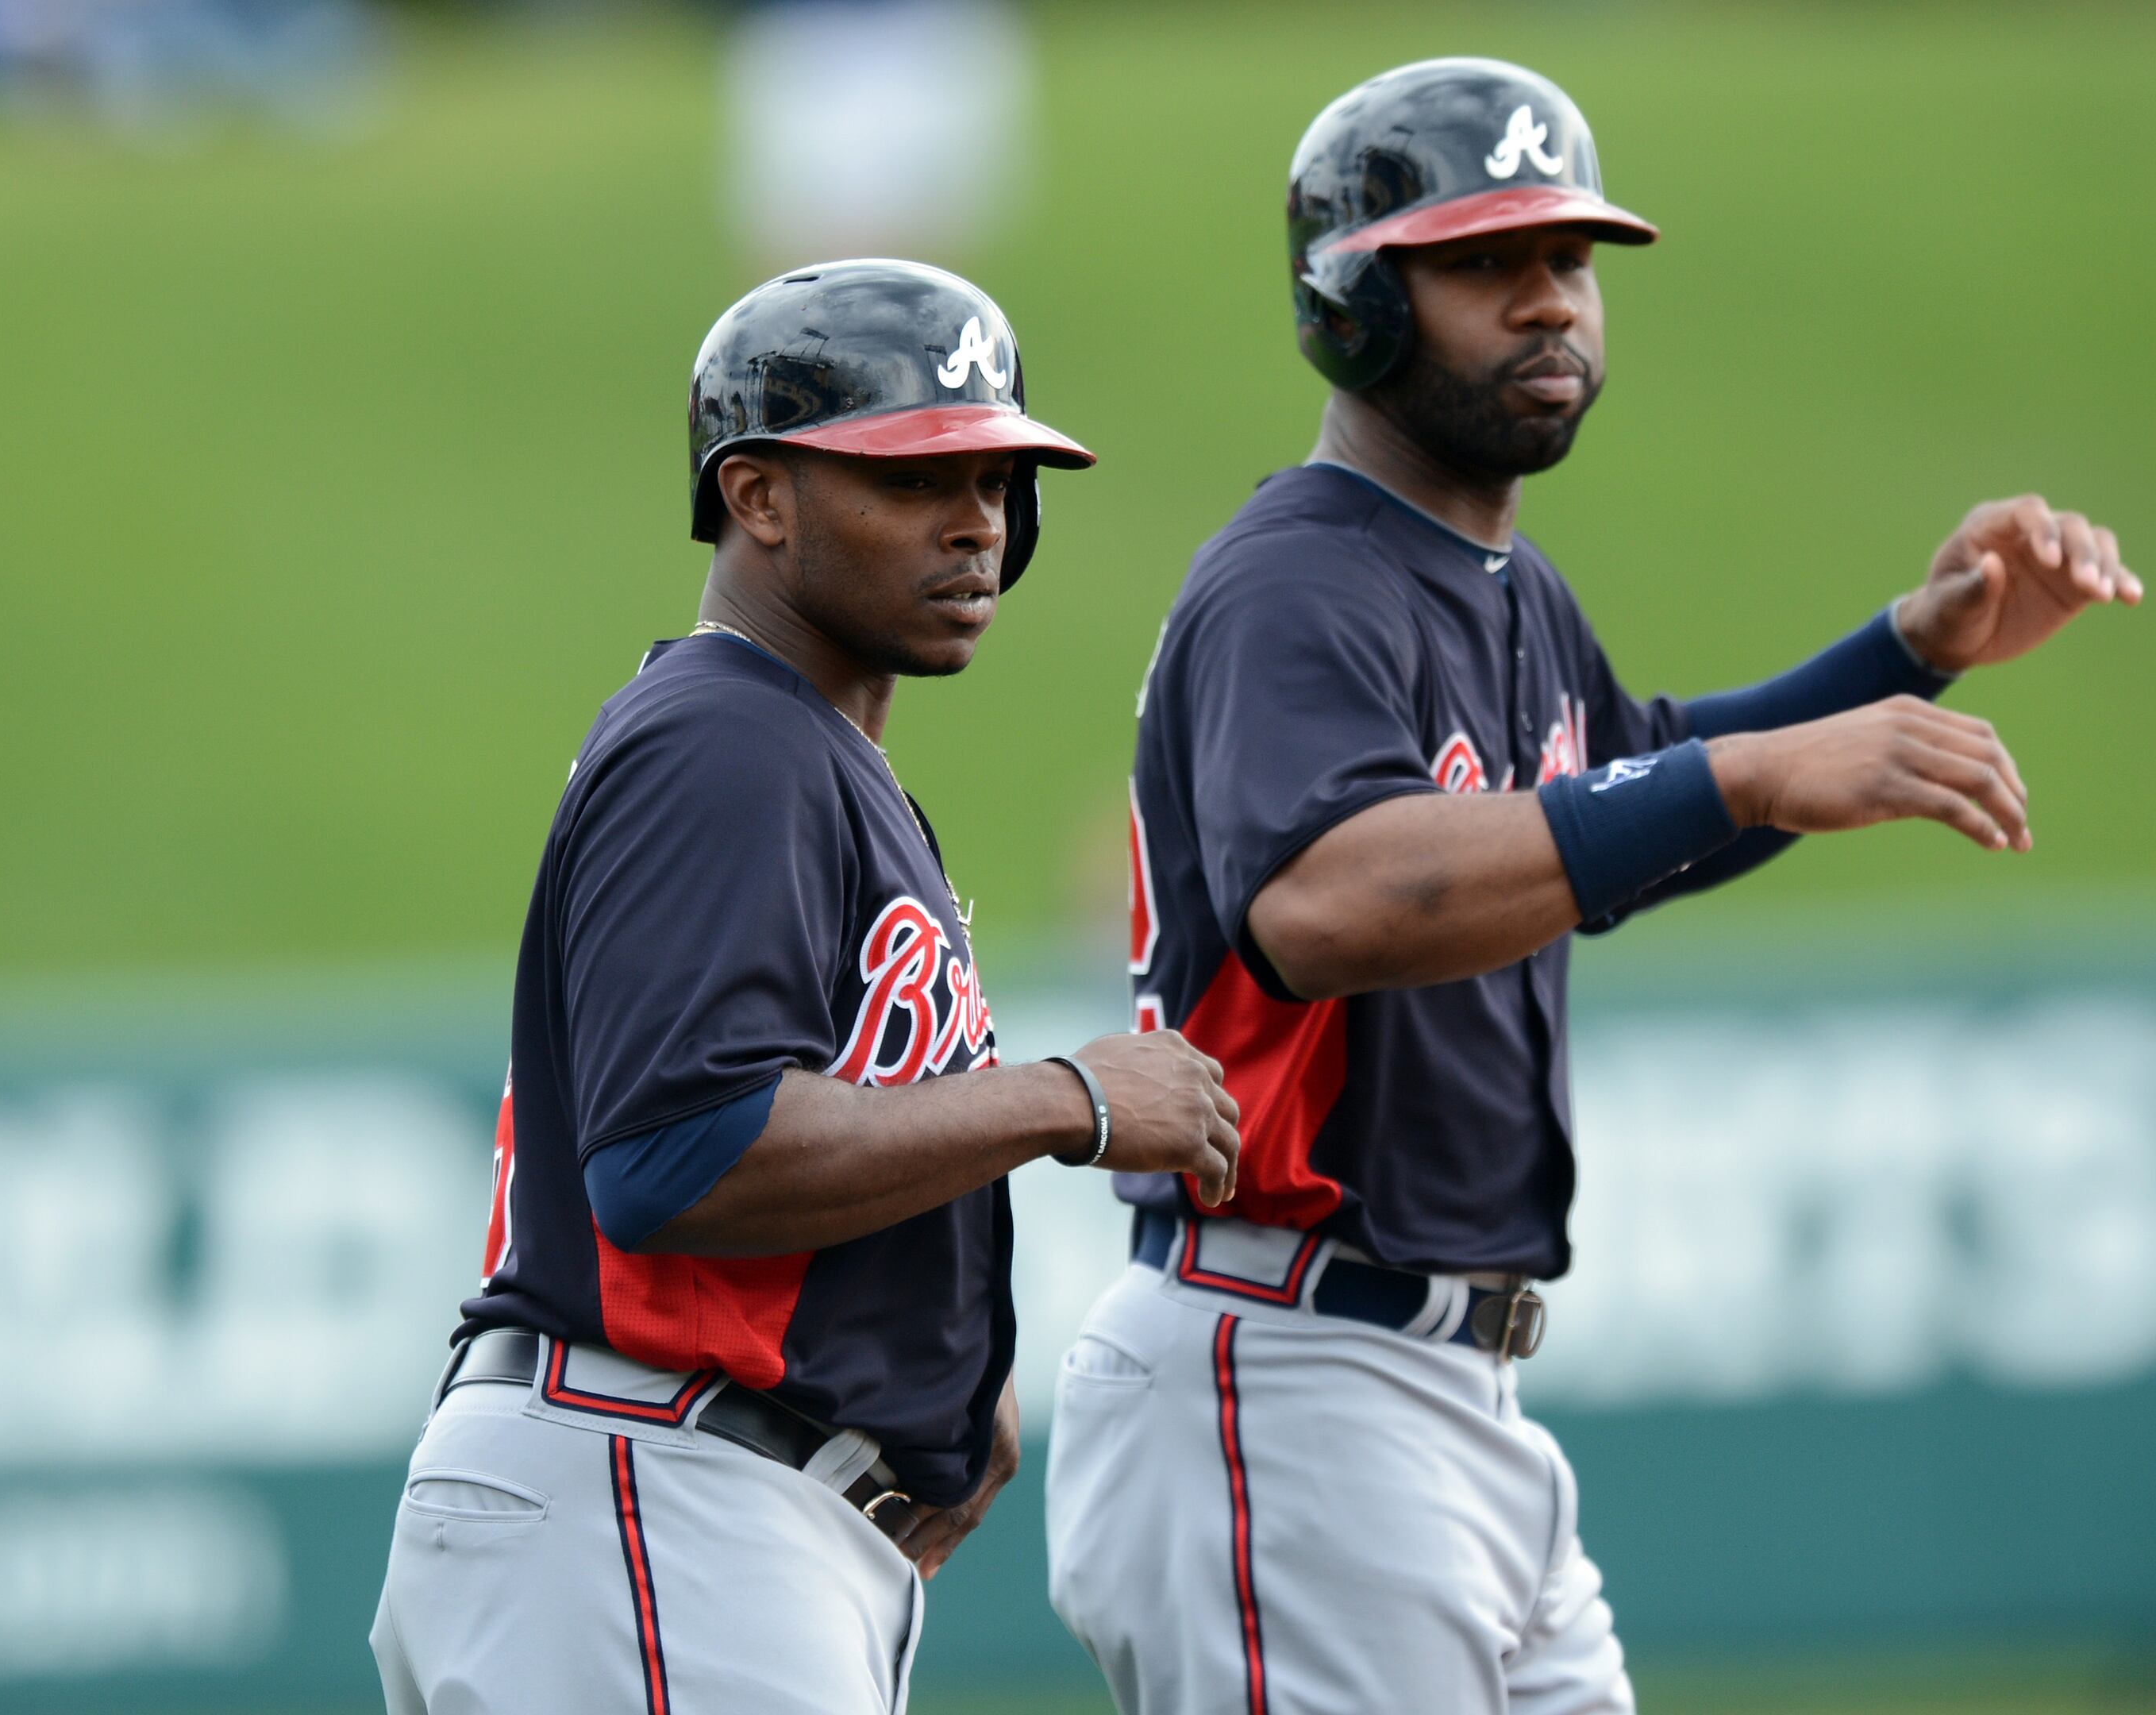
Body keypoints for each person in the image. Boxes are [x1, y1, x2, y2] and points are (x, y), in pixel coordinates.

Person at [1041, 57, 2139, 1715]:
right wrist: (1743, 773)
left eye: (1571, 260)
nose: (1551, 303)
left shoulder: (1499, 583)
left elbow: (1619, 802)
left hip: (1438, 1402)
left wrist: (1911, 649)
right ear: (1354, 297)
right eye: (1489, 264)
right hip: (1287, 1372)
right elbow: (1328, 904)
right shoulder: (1299, 584)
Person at [367, 259, 1241, 1714]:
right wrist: (1065, 1100)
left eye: (1002, 480)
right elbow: (670, 1158)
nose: (978, 522)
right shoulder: (729, 738)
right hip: (650, 1492)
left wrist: (939, 1385)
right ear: (758, 496)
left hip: (685, 1508)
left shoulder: (799, 749)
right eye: (917, 477)